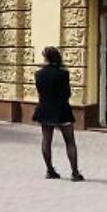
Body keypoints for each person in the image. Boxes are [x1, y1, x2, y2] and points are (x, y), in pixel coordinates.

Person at [33, 46, 83, 181]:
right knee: (70, 141)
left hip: (44, 109)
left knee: (46, 140)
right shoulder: (63, 73)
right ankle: (75, 173)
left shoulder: (38, 74)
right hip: (62, 110)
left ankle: (49, 170)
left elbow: (40, 92)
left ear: (46, 58)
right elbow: (67, 93)